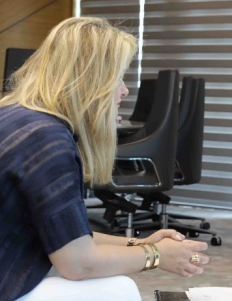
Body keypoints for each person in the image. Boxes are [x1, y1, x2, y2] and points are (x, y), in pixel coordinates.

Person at [0, 17, 210, 301]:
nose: (124, 90)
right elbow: (78, 263)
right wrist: (156, 255)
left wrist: (139, 243)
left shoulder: (18, 117)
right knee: (119, 289)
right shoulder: (47, 140)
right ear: (91, 80)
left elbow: (69, 235)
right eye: (118, 78)